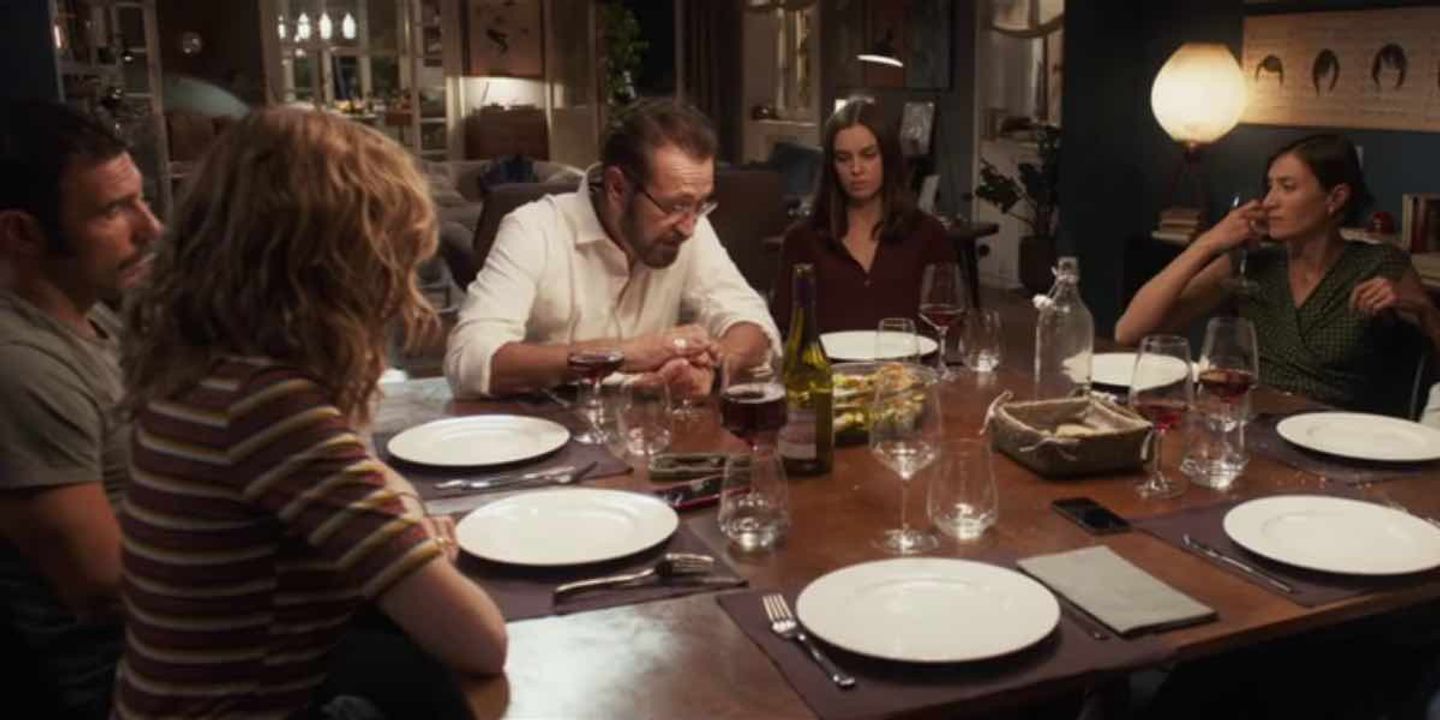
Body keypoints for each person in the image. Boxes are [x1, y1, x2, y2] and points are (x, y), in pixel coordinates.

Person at [117, 108, 506, 717]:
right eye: (390, 260)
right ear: (331, 267)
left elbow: (372, 471)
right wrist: (408, 527)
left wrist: (394, 511)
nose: (397, 290)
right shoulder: (268, 407)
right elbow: (480, 640)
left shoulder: (202, 368)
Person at [444, 98, 779, 398]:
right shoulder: (534, 229)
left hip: (649, 429)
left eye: (700, 204)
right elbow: (469, 359)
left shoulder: (690, 225)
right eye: (676, 206)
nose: (689, 226)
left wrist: (714, 364)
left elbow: (752, 320)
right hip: (548, 431)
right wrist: (623, 354)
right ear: (618, 187)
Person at [0, 100, 162, 718]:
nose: (150, 228)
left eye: (142, 201)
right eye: (113, 210)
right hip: (124, 681)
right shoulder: (20, 367)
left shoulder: (89, 316)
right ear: (22, 233)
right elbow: (103, 586)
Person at [1116, 133, 1440, 417]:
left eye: (1287, 187)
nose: (1269, 202)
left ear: (1335, 198)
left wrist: (1423, 309)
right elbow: (1129, 331)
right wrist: (1208, 243)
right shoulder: (1252, 262)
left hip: (1338, 436)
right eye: (1269, 187)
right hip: (1251, 423)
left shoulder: (1379, 263)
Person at [771, 98, 956, 333]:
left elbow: (950, 328)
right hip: (827, 358)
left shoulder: (927, 234)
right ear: (831, 166)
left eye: (868, 155)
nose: (856, 169)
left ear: (888, 157)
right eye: (843, 158)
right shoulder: (802, 239)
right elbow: (782, 328)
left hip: (910, 357)